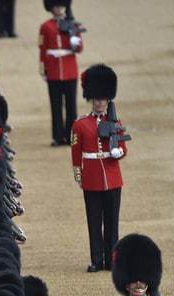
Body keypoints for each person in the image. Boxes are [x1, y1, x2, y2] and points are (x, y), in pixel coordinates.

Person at [71, 64, 127, 272]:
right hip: (92, 178)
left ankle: (111, 260)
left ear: (107, 100)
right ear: (91, 99)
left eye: (103, 99)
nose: (99, 103)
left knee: (112, 222)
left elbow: (123, 147)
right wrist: (78, 172)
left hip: (112, 178)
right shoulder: (80, 124)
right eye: (96, 99)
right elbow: (76, 151)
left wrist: (118, 152)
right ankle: (96, 260)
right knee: (94, 222)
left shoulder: (115, 121)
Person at [38, 0, 82, 146]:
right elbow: (42, 48)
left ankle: (71, 137)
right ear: (51, 8)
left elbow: (79, 48)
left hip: (69, 70)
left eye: (61, 6)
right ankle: (57, 137)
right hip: (54, 71)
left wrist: (75, 36)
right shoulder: (45, 26)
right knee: (55, 106)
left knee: (71, 106)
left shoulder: (72, 24)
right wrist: (43, 68)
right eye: (56, 6)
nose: (58, 9)